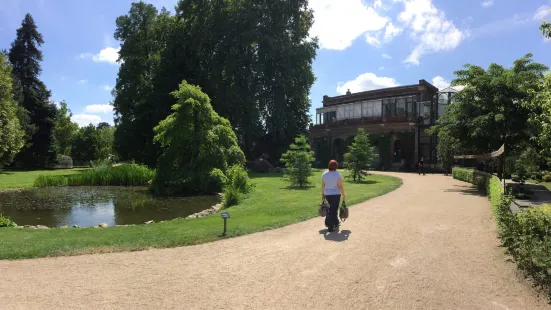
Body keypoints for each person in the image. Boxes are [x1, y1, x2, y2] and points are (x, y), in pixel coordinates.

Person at [321, 160, 346, 232]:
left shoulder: (324, 174)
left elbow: (323, 186)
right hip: (335, 194)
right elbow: (340, 186)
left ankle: (334, 223)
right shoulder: (338, 175)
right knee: (333, 209)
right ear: (336, 166)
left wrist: (322, 194)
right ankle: (330, 225)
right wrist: (343, 195)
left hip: (327, 194)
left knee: (329, 209)